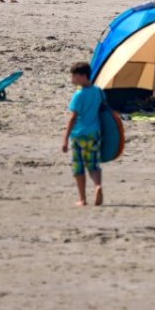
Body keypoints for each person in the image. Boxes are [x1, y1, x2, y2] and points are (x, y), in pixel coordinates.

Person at [62, 62, 104, 206]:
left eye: (74, 76)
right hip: (94, 133)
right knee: (93, 165)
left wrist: (65, 138)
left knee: (78, 167)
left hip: (79, 135)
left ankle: (83, 199)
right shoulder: (98, 91)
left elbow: (73, 118)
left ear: (83, 76)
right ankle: (98, 185)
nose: (72, 79)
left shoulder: (79, 95)